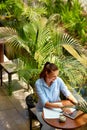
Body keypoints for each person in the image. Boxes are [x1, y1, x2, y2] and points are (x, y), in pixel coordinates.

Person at [35, 62, 78, 130]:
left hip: (56, 109)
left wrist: (77, 102)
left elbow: (67, 93)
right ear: (47, 73)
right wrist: (62, 107)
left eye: (57, 75)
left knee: (63, 123)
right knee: (50, 126)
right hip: (42, 110)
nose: (56, 77)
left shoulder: (58, 80)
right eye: (54, 76)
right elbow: (46, 104)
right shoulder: (38, 84)